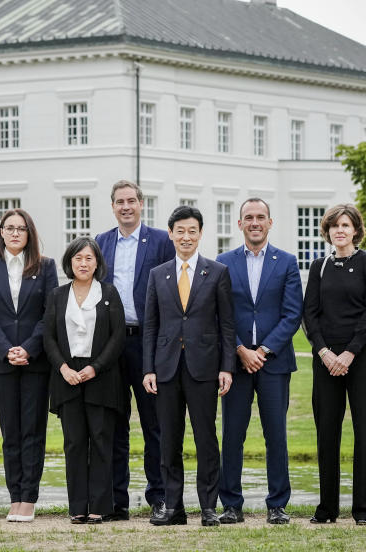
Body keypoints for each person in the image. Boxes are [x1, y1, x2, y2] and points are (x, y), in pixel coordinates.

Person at [142, 205, 235, 527]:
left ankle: (208, 507)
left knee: (206, 439)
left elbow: (226, 325)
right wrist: (148, 368)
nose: (186, 237)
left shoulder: (217, 272)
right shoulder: (158, 274)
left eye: (192, 231)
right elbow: (150, 326)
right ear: (170, 234)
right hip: (166, 368)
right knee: (168, 440)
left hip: (204, 367)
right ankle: (173, 507)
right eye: (180, 231)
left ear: (200, 234)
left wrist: (227, 367)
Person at [216, 198, 302, 525]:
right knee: (232, 435)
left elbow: (293, 314)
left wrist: (263, 351)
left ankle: (277, 505)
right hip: (235, 363)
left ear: (270, 222)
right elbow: (220, 314)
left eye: (260, 217)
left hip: (274, 363)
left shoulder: (287, 262)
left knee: (276, 436)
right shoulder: (223, 263)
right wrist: (240, 350)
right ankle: (231, 505)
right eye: (248, 217)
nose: (255, 222)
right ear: (239, 224)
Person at [94, 180, 174, 520]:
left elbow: (171, 290)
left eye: (131, 201)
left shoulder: (160, 241)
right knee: (115, 423)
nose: (126, 206)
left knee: (155, 423)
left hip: (148, 343)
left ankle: (159, 496)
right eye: (119, 202)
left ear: (141, 204)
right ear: (112, 207)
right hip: (112, 343)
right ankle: (117, 500)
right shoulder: (101, 242)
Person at [0, 208, 58, 523]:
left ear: (29, 233)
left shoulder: (45, 267)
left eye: (20, 228)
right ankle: (14, 497)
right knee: (10, 432)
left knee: (33, 432)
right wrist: (6, 349)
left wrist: (28, 348)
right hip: (2, 360)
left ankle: (29, 498)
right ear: (1, 233)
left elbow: (49, 313)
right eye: (8, 228)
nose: (14, 233)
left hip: (35, 361)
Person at [303, 203, 366, 525]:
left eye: (346, 225)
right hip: (325, 361)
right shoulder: (318, 266)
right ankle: (327, 509)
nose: (340, 231)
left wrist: (349, 353)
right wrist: (324, 353)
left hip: (361, 358)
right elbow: (310, 314)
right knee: (327, 433)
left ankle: (365, 510)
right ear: (328, 231)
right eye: (335, 226)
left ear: (355, 230)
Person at [43, 237, 127, 524]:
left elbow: (118, 337)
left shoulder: (109, 293)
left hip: (101, 375)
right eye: (78, 258)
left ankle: (99, 507)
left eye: (89, 258)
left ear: (97, 263)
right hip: (67, 376)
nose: (83, 263)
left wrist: (96, 367)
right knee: (74, 442)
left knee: (102, 440)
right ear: (70, 262)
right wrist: (63, 367)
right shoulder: (57, 295)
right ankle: (78, 506)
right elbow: (49, 336)